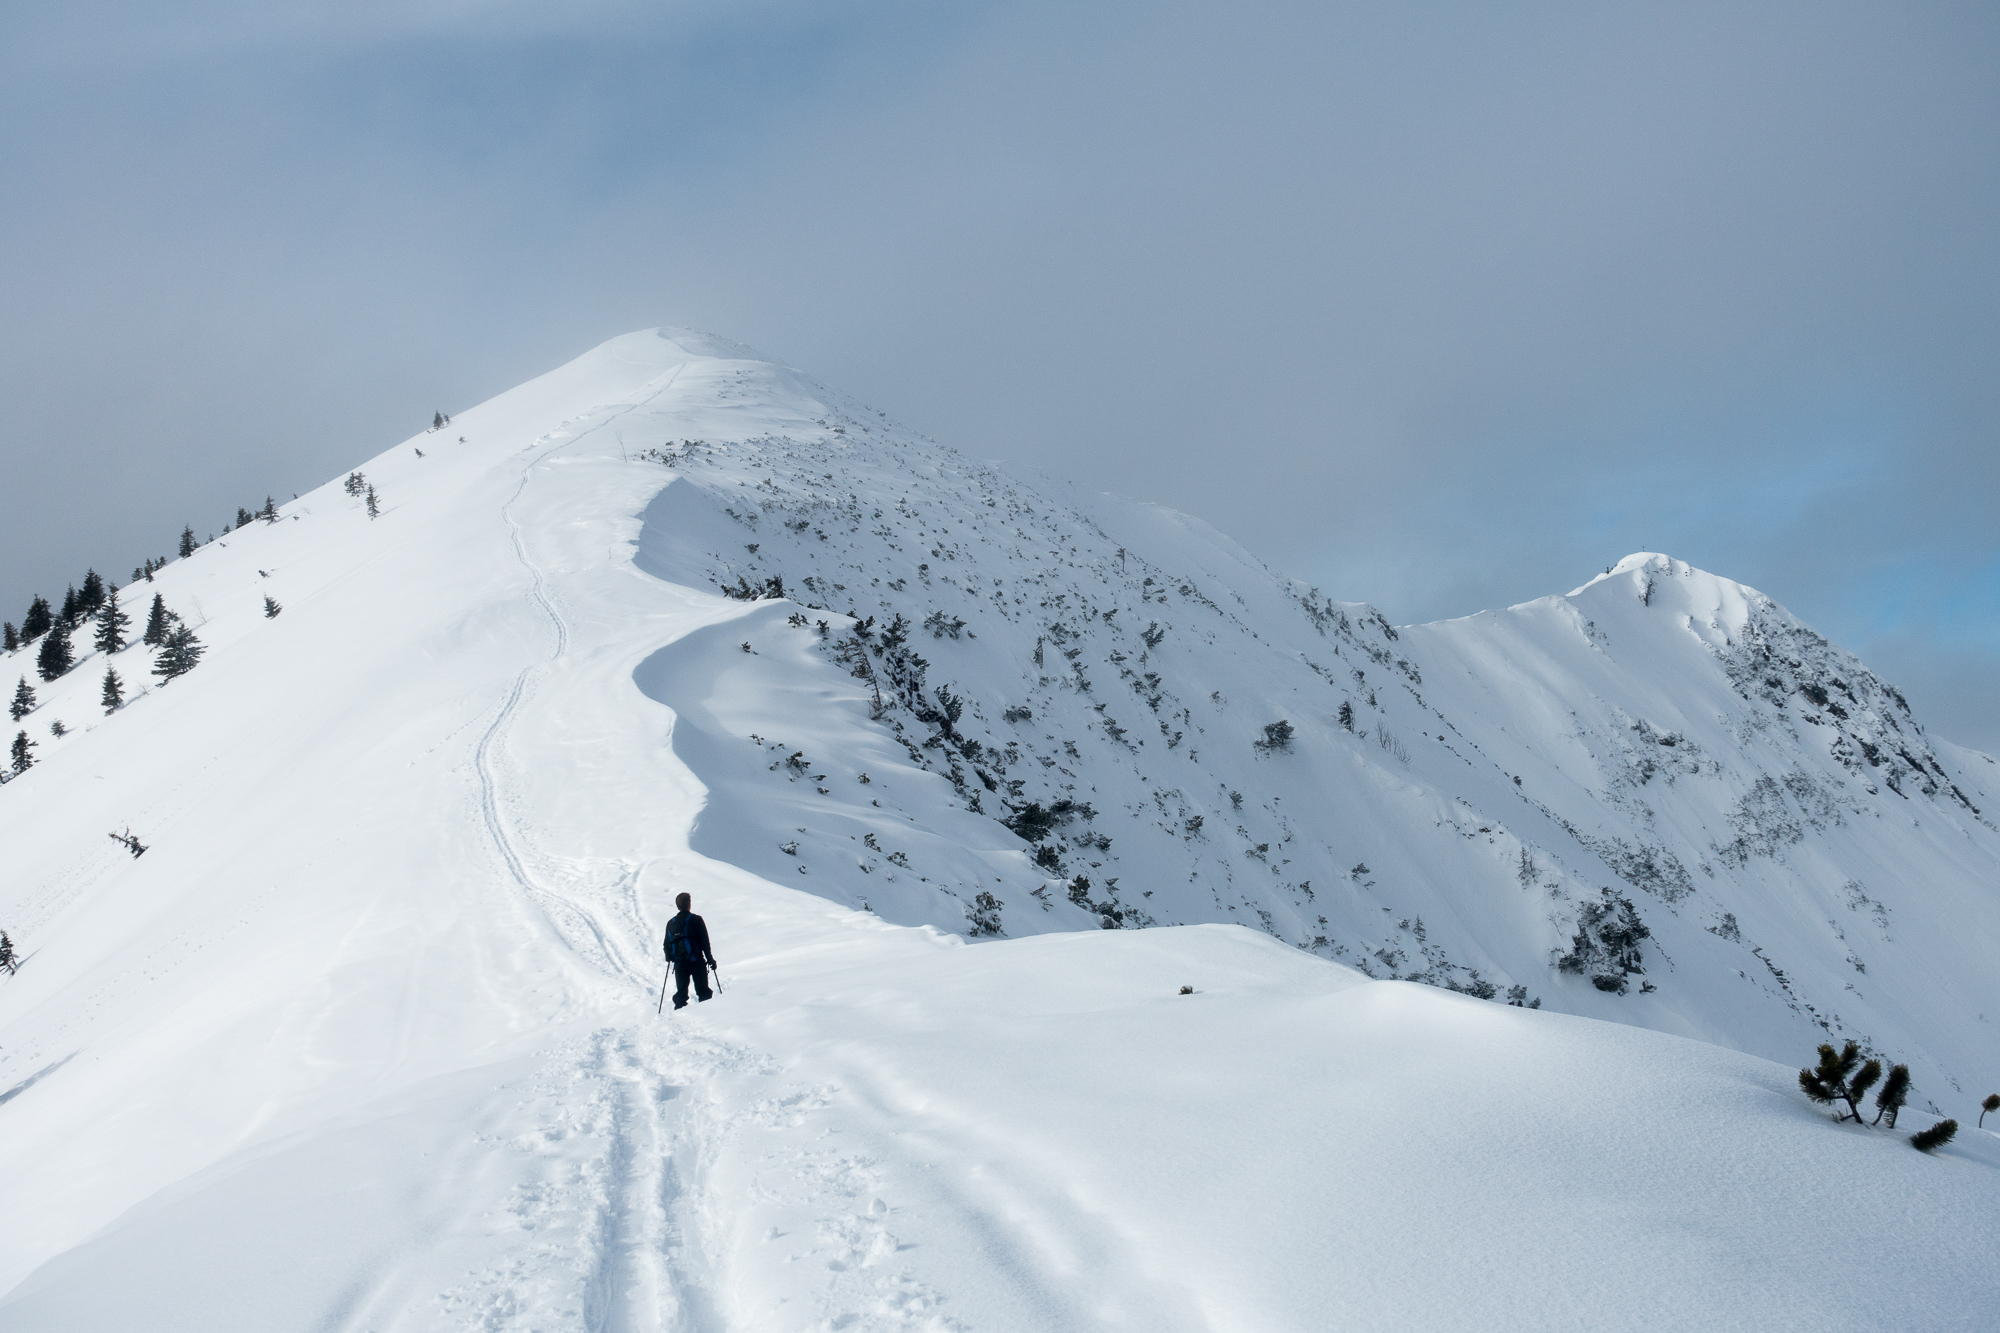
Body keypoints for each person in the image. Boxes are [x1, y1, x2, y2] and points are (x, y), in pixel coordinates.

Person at [663, 892, 716, 1008]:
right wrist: (710, 959)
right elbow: (705, 942)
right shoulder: (696, 919)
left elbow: (666, 945)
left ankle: (680, 1017)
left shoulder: (670, 923)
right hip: (696, 962)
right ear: (689, 904)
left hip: (679, 964)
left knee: (681, 996)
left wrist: (670, 957)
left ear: (677, 905)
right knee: (703, 993)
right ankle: (708, 1016)